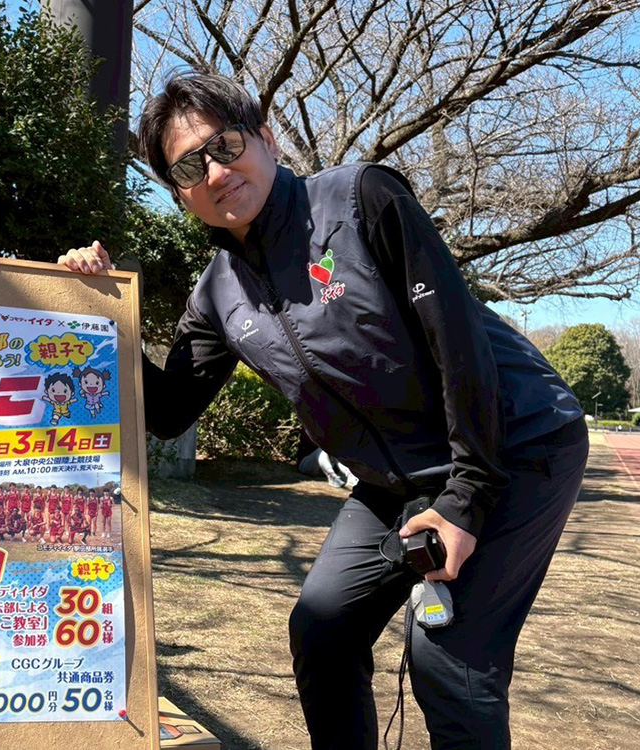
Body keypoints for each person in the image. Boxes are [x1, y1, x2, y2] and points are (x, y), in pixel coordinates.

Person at [59, 71, 588, 750]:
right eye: (189, 167)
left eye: (225, 146)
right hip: (395, 480)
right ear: (179, 192)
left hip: (514, 444)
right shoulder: (218, 292)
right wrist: (102, 313)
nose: (216, 173)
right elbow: (167, 412)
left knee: (449, 662)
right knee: (323, 629)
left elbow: (459, 344)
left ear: (266, 138)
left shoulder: (362, 197)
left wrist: (466, 498)